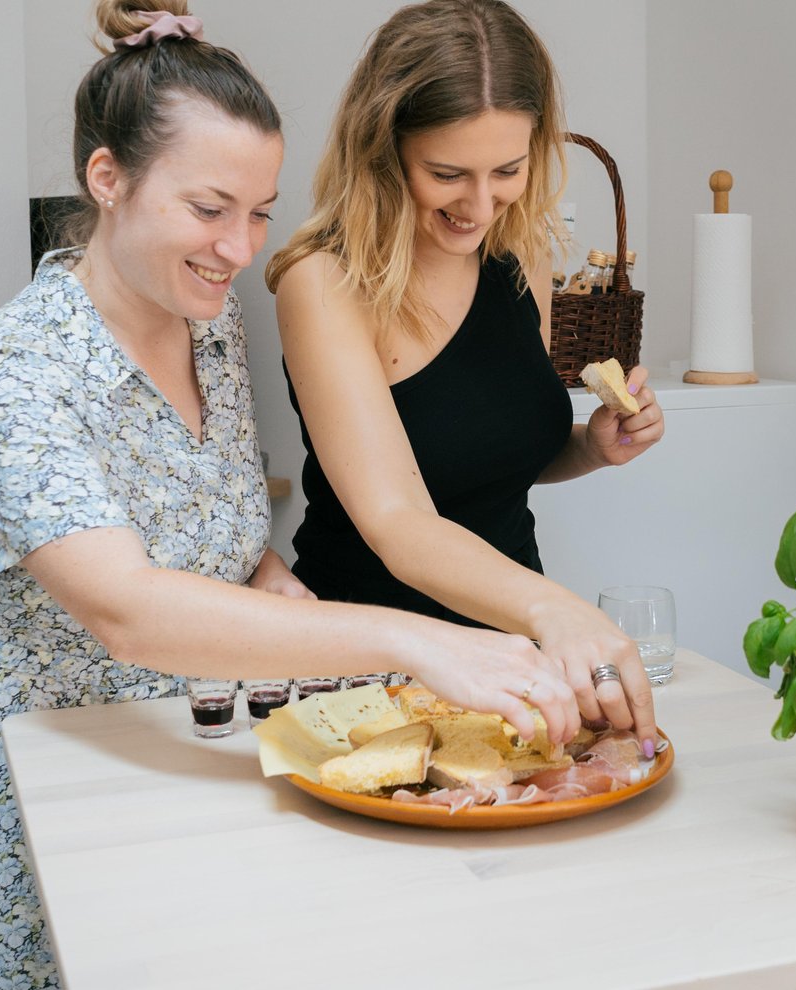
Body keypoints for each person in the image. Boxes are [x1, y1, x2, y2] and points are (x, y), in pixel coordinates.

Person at [0, 4, 577, 988]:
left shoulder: (204, 327)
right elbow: (127, 607)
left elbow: (194, 520)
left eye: (258, 211)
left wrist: (263, 571)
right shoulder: (16, 365)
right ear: (108, 179)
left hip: (187, 746)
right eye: (210, 207)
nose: (242, 246)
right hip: (37, 773)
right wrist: (413, 637)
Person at [266, 0, 664, 752]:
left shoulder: (524, 253)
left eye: (507, 170)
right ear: (382, 152)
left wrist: (587, 446)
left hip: (515, 669)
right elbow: (400, 522)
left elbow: (484, 456)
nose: (480, 205)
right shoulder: (322, 283)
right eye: (447, 174)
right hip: (366, 675)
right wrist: (560, 613)